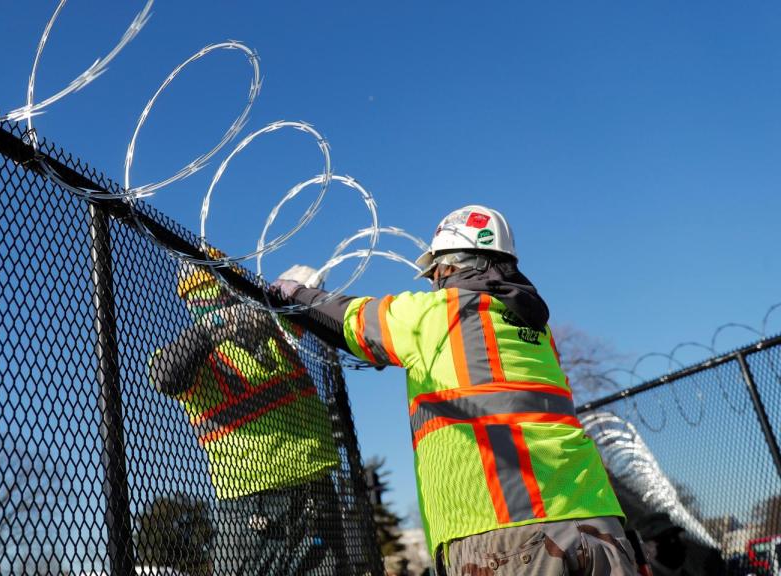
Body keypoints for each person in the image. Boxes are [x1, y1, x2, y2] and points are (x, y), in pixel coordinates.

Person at [272, 205, 636, 576]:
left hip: (504, 532)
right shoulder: (539, 334)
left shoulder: (439, 313)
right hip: (598, 523)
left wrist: (299, 293)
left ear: (449, 266)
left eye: (434, 272)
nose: (433, 282)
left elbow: (352, 320)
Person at [149, 259, 347, 575]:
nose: (229, 300)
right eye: (215, 292)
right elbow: (165, 376)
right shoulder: (201, 357)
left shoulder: (275, 333)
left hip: (316, 490)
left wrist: (300, 292)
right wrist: (217, 326)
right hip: (251, 502)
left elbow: (323, 321)